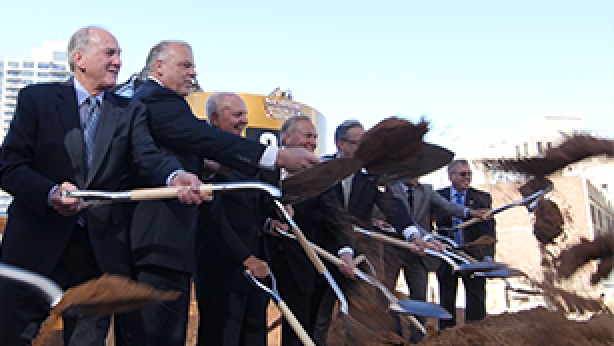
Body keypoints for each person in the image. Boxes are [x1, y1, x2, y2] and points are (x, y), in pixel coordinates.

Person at [0, 26, 207, 345]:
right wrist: (50, 193)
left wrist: (174, 176)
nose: (118, 61)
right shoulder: (36, 99)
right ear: (79, 58)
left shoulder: (129, 110)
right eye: (110, 53)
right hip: (35, 247)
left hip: (97, 252)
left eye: (120, 54)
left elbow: (147, 158)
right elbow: (10, 167)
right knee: (16, 335)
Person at [119, 40, 321, 345]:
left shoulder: (154, 99)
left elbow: (181, 149)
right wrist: (275, 156)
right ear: (159, 67)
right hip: (160, 242)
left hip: (171, 245)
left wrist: (208, 168)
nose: (193, 73)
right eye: (185, 65)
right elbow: (199, 137)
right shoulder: (156, 98)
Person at [312, 120, 441, 345]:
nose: (366, 148)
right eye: (359, 143)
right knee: (319, 314)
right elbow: (334, 216)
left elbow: (392, 205)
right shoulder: (320, 169)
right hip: (321, 252)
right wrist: (343, 249)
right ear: (341, 145)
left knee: (365, 312)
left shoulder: (371, 175)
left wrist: (414, 235)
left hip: (359, 255)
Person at [195, 92, 274, 346]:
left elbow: (258, 204)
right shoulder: (205, 159)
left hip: (257, 269)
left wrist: (277, 216)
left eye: (245, 115)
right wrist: (245, 258)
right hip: (222, 270)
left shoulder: (245, 157)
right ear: (216, 118)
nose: (244, 121)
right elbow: (212, 217)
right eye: (237, 115)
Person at [388, 178, 488, 343]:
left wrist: (470, 212)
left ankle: (418, 339)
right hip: (392, 250)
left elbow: (447, 206)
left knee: (419, 298)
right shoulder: (390, 189)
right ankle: (393, 337)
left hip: (420, 253)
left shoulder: (427, 190)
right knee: (386, 294)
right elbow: (396, 217)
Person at [434, 159, 496, 330]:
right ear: (451, 176)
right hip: (447, 257)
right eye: (463, 174)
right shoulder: (438, 197)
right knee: (446, 301)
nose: (467, 178)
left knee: (476, 300)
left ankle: (475, 336)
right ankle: (446, 338)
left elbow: (488, 229)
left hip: (472, 258)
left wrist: (487, 257)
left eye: (469, 174)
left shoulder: (481, 198)